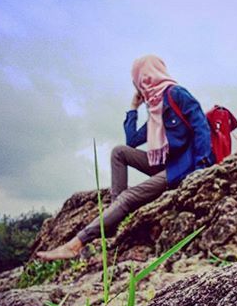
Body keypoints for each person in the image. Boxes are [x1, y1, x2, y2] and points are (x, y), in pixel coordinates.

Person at [36, 55, 214, 260]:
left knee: (129, 197)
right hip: (164, 163)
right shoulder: (155, 108)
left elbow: (202, 128)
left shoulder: (177, 94)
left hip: (183, 166)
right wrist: (133, 107)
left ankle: (75, 244)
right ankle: (114, 216)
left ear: (146, 77)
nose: (136, 86)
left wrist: (202, 169)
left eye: (137, 80)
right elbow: (132, 141)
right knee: (119, 152)